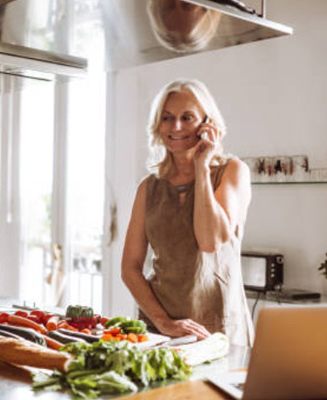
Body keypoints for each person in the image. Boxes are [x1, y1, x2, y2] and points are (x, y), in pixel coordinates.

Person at [121, 78, 254, 346]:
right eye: (167, 118)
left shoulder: (232, 171)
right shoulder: (148, 188)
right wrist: (163, 322)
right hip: (159, 331)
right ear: (158, 125)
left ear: (208, 123)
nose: (176, 126)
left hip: (219, 330)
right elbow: (130, 267)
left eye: (187, 117)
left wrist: (202, 167)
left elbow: (210, 240)